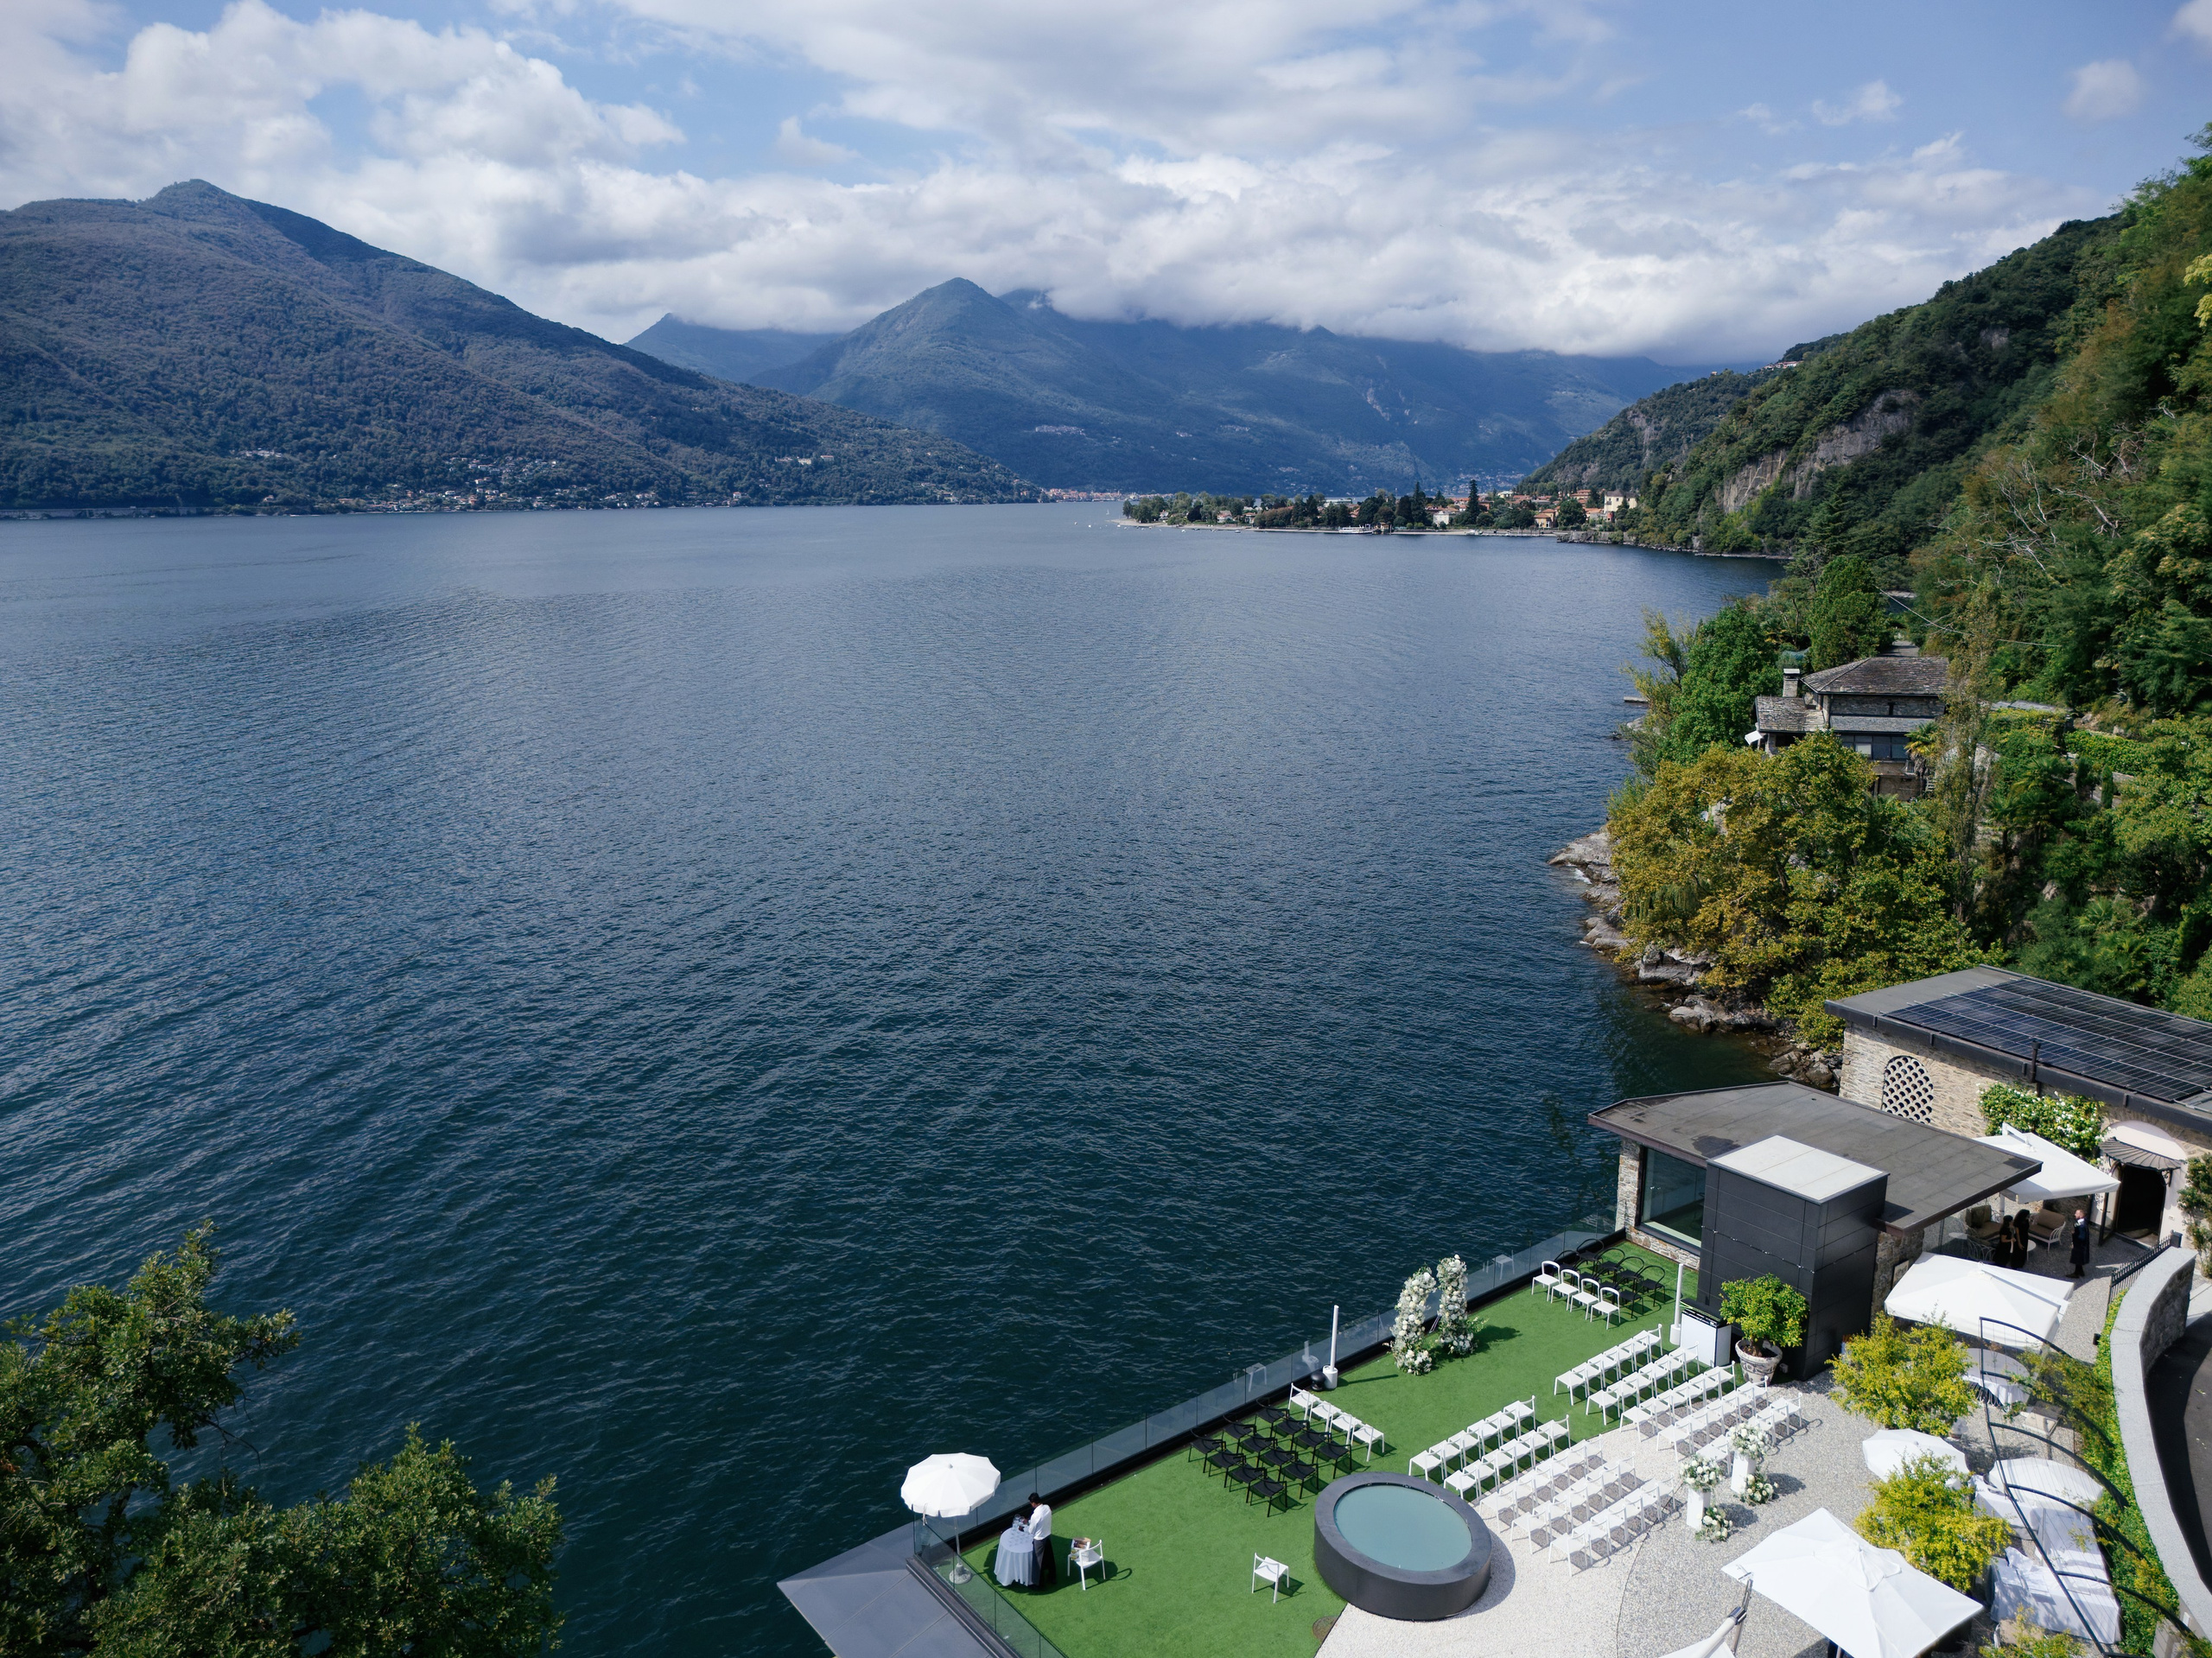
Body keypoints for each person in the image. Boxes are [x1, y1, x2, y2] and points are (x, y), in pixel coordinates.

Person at [1027, 1491, 1056, 1587]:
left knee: (1037, 1563)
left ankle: (1038, 1584)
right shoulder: (1047, 1508)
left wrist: (1028, 1524)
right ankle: (1052, 1577)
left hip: (1039, 1540)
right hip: (1047, 1536)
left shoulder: (1035, 1515)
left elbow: (1031, 1530)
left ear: (1033, 1503)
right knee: (1049, 1559)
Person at [2070, 1207, 2093, 1280]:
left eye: (2076, 1214)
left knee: (2078, 1258)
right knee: (2079, 1258)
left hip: (2080, 1245)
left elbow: (2082, 1237)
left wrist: (2074, 1235)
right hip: (2081, 1245)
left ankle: (2076, 1273)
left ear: (2080, 1215)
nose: (2075, 1214)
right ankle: (2080, 1271)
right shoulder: (2082, 1222)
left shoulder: (2082, 1226)